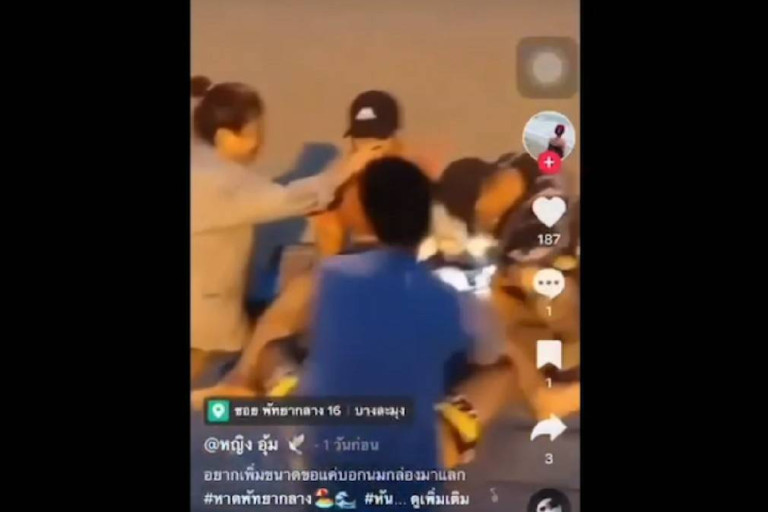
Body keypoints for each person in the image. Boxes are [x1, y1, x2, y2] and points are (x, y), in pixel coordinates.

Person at [300, 157, 508, 490]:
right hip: (407, 471)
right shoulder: (449, 299)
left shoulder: (329, 279)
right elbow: (490, 350)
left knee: (279, 354)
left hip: (329, 462)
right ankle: (447, 442)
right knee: (500, 371)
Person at [190, 76, 384, 385]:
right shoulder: (220, 181)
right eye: (254, 134)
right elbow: (288, 199)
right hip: (201, 327)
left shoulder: (200, 159)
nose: (260, 144)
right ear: (224, 135)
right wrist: (346, 168)